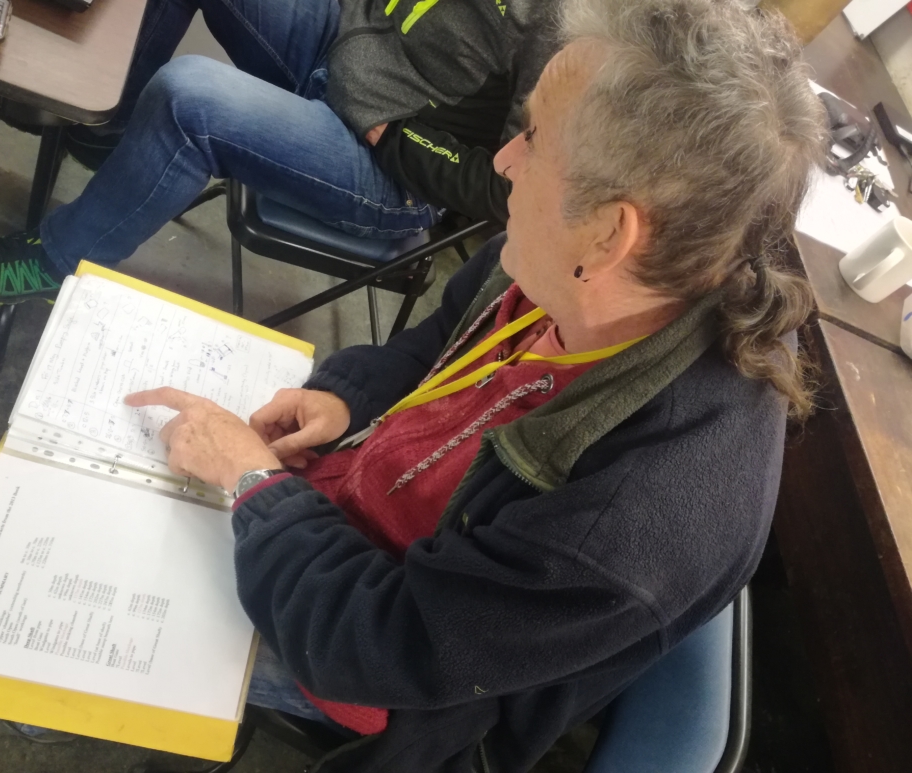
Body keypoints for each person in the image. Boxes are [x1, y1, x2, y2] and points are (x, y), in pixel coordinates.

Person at [115, 1, 829, 770]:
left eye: (534, 137)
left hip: (376, 654)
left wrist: (254, 483)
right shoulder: (606, 266)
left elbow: (383, 643)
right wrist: (351, 395)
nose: (504, 160)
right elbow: (442, 334)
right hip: (334, 525)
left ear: (609, 232)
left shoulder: (629, 520)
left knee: (90, 608)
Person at [0, 0, 559, 305]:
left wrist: (392, 135)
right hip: (346, 50)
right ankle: (109, 128)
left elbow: (514, 191)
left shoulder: (567, 23)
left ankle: (59, 260)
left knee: (190, 98)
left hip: (389, 164)